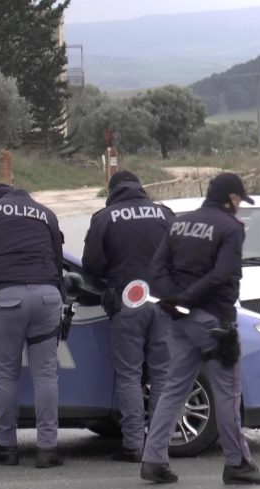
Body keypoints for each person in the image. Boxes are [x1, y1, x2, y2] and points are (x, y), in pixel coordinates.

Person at [141, 172, 260, 485]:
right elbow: (222, 274)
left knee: (173, 388)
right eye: (239, 199)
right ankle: (237, 463)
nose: (240, 205)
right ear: (230, 198)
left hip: (179, 321)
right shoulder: (231, 228)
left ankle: (153, 459)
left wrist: (173, 301)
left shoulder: (179, 223)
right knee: (228, 393)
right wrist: (187, 300)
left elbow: (156, 269)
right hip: (215, 321)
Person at [0, 183, 65, 468]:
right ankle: (47, 449)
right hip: (46, 297)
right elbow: (58, 260)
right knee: (45, 374)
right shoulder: (45, 213)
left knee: (6, 375)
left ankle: (6, 447)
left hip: (8, 299)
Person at [82, 170, 174, 463]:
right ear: (140, 187)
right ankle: (159, 445)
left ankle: (133, 445)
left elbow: (91, 265)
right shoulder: (165, 214)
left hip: (127, 301)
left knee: (129, 375)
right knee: (162, 374)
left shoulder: (105, 217)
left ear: (112, 190)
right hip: (163, 302)